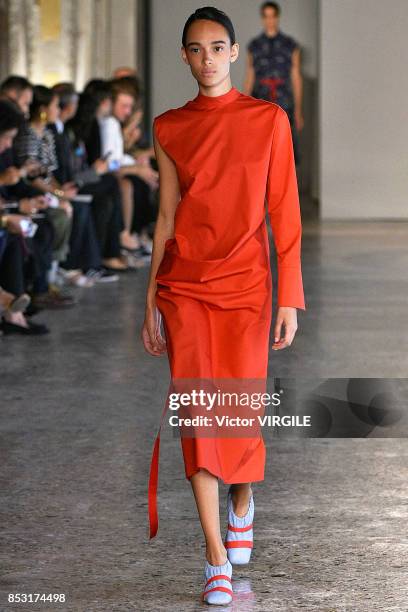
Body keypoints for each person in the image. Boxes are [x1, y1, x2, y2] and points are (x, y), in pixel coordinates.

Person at [141, 6, 306, 605]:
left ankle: (242, 498)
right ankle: (215, 555)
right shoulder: (168, 127)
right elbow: (165, 217)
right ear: (183, 56)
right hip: (185, 287)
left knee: (236, 413)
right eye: (195, 48)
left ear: (234, 53)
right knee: (198, 418)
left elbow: (284, 210)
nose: (206, 58)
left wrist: (291, 294)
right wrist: (150, 299)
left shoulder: (268, 121)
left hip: (247, 288)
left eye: (217, 47)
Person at [243, 1, 304, 165]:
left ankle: (285, 189)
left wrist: (298, 110)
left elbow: (296, 76)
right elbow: (250, 75)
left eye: (272, 16)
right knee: (260, 148)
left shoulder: (290, 45)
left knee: (286, 149)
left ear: (277, 17)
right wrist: (244, 105)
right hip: (260, 100)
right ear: (262, 18)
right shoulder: (254, 46)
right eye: (266, 16)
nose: (269, 20)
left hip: (284, 101)